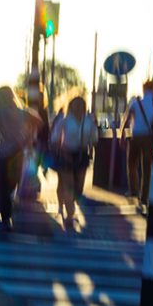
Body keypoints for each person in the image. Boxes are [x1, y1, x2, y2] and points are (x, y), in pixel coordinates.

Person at [0, 86, 42, 231]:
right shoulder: (23, 113)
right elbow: (39, 122)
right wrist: (28, 136)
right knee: (10, 186)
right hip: (19, 153)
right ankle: (6, 217)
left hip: (1, 153)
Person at [51, 95, 97, 231]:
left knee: (79, 187)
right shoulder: (64, 120)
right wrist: (58, 149)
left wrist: (92, 142)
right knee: (68, 185)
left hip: (82, 155)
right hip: (66, 155)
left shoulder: (89, 121)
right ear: (70, 106)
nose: (78, 108)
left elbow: (94, 138)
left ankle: (69, 206)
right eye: (75, 105)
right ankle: (69, 216)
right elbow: (55, 138)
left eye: (80, 105)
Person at [125, 80, 153, 207]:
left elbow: (127, 118)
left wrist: (122, 134)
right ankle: (144, 196)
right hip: (149, 137)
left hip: (136, 136)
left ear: (144, 89)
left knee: (131, 164)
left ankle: (134, 190)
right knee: (147, 167)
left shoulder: (136, 102)